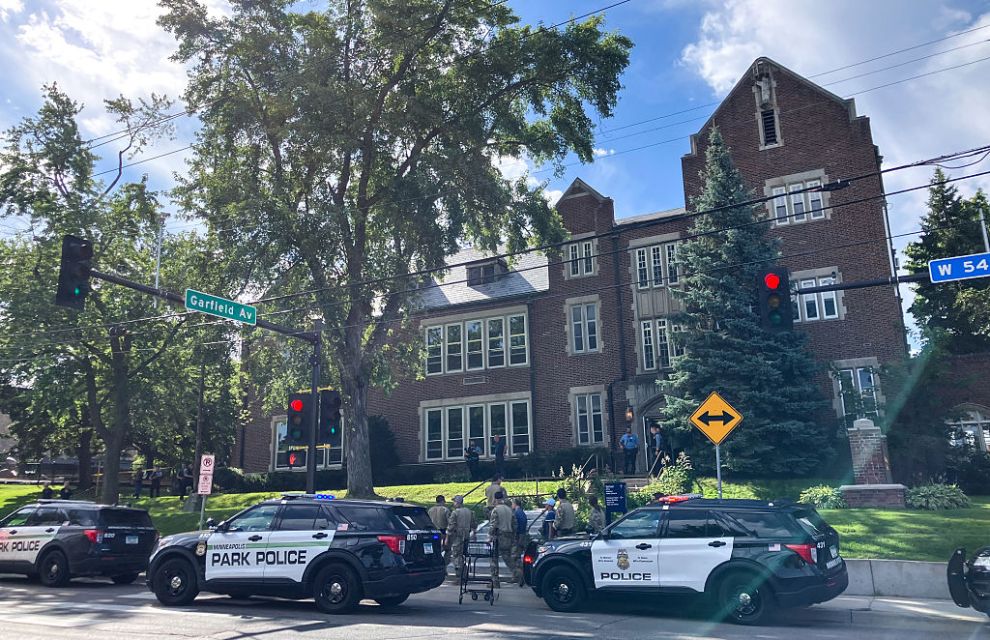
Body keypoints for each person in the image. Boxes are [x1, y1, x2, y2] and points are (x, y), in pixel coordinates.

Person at [489, 491, 516, 588]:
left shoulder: (496, 510)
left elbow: (493, 524)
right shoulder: (509, 509)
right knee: (507, 557)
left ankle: (495, 581)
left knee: (494, 560)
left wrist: (490, 536)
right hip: (508, 535)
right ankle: (517, 573)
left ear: (495, 499)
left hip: (499, 536)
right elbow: (514, 523)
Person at [447, 495, 476, 576]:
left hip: (457, 536)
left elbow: (451, 526)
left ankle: (459, 575)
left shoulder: (455, 513)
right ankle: (464, 573)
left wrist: (447, 536)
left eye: (454, 502)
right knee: (462, 555)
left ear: (457, 502)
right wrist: (474, 533)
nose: (453, 503)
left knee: (456, 555)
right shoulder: (469, 511)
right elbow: (473, 524)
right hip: (466, 536)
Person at [428, 495, 451, 567]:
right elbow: (450, 522)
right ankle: (444, 565)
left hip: (432, 532)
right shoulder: (445, 510)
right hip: (443, 532)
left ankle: (433, 564)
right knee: (447, 550)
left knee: (434, 549)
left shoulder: (430, 510)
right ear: (442, 501)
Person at [511, 498, 529, 586]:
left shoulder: (517, 513)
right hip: (523, 536)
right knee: (517, 557)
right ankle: (518, 576)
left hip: (518, 537)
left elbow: (516, 526)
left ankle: (520, 576)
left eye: (512, 504)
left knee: (515, 557)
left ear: (515, 504)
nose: (511, 505)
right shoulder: (522, 512)